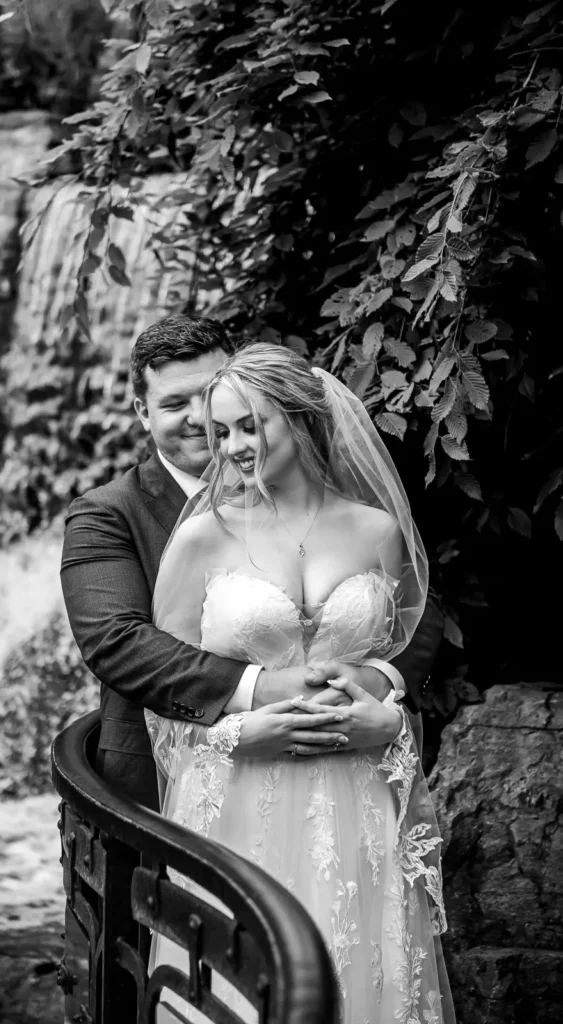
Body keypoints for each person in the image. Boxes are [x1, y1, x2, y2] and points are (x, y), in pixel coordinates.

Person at [146, 343, 455, 1024]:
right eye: (220, 430)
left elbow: (400, 662)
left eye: (250, 426)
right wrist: (233, 736)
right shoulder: (202, 539)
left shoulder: (377, 531)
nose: (231, 447)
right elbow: (165, 697)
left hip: (359, 795)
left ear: (303, 418)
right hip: (237, 795)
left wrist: (393, 721)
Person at [60, 316, 443, 813]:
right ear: (142, 412)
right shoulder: (106, 513)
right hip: (174, 785)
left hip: (353, 780)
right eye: (177, 404)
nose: (202, 420)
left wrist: (379, 683)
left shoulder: (355, 509)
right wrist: (255, 694)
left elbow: (417, 604)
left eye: (216, 398)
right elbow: (118, 642)